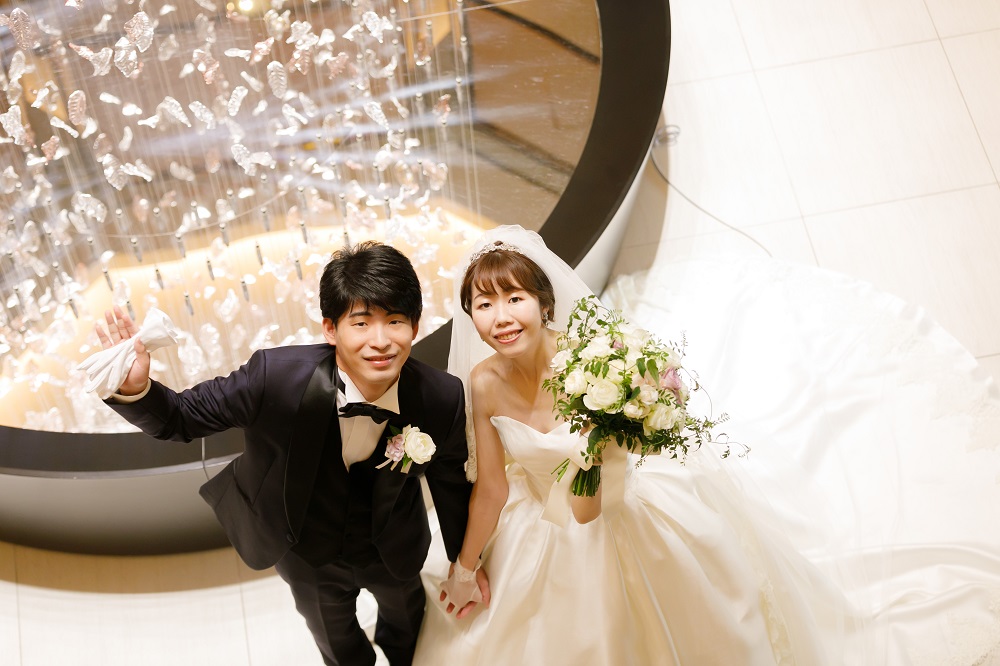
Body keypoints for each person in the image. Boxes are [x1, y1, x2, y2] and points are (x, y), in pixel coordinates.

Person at [417, 225, 1000, 664]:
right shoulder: (483, 383)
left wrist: (606, 444)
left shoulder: (594, 361)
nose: (500, 317)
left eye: (514, 298)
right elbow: (492, 488)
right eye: (483, 305)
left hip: (615, 506)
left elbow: (603, 491)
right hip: (542, 522)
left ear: (544, 303)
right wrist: (466, 568)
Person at [97, 241, 487, 666]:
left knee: (409, 628)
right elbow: (181, 418)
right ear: (330, 329)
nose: (380, 341)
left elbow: (452, 486)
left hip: (394, 545)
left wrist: (464, 565)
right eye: (361, 323)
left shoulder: (441, 396)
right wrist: (137, 389)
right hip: (306, 552)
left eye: (395, 321)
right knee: (339, 647)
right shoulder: (275, 379)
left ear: (415, 326)